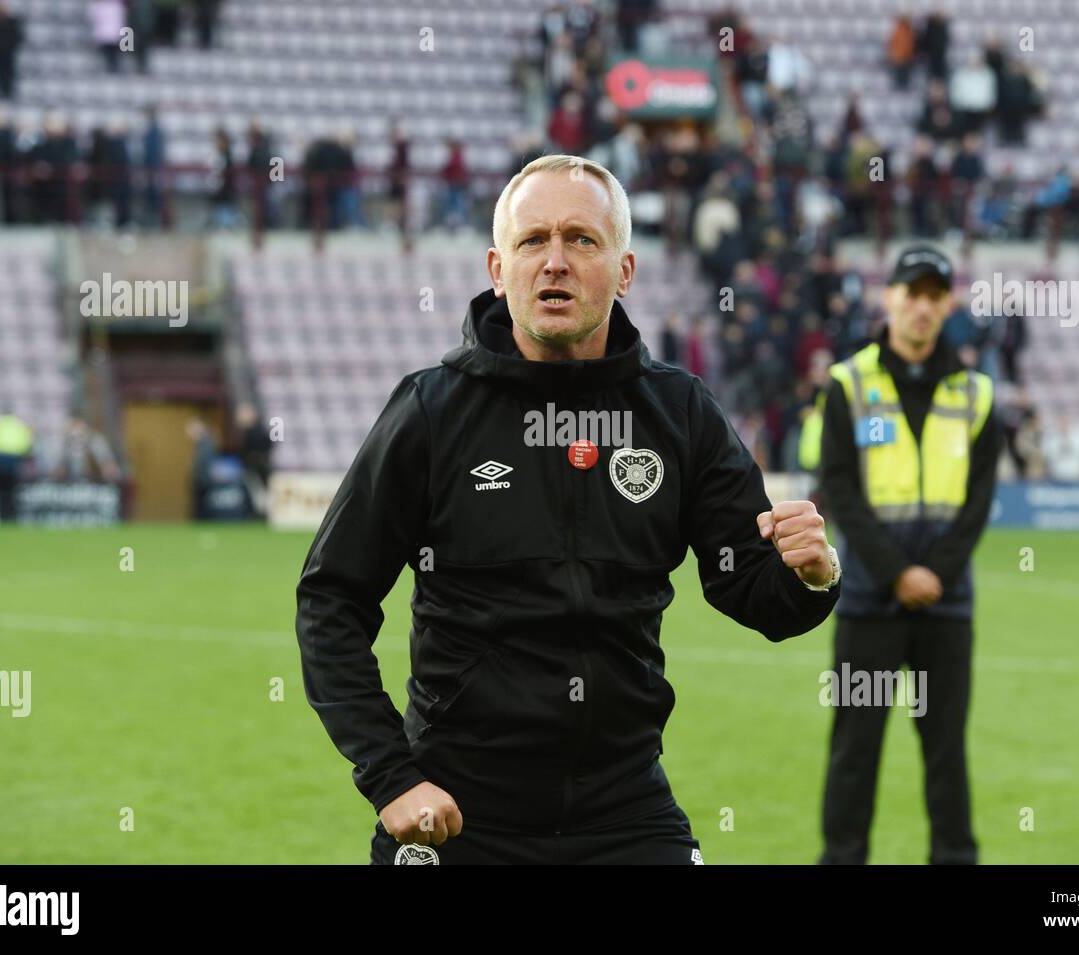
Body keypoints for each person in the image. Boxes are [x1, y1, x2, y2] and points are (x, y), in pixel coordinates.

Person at [295, 154, 841, 866]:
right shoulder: (431, 410)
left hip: (625, 807)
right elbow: (332, 598)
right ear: (498, 267)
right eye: (533, 241)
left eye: (582, 239)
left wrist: (811, 576)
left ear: (625, 270)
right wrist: (392, 777)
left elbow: (752, 590)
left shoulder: (679, 412)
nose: (555, 261)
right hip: (460, 810)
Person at [817, 244, 1000, 865]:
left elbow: (977, 504)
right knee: (854, 752)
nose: (921, 307)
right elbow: (840, 489)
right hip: (870, 603)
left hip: (946, 608)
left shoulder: (977, 394)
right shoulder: (848, 385)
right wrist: (899, 574)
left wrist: (933, 576)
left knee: (947, 753)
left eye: (933, 295)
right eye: (910, 292)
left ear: (947, 305)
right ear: (888, 297)